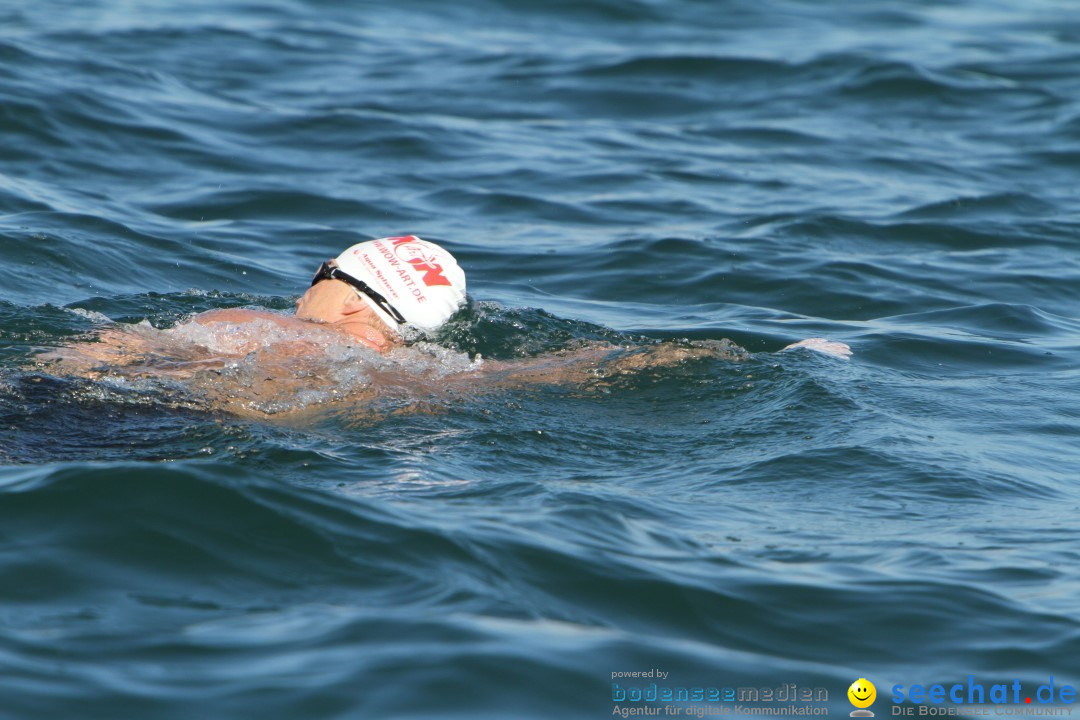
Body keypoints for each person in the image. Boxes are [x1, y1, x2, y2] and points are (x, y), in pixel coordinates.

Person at [40, 235, 850, 418]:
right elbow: (592, 365)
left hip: (90, 415)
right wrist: (782, 356)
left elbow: (94, 354)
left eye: (324, 271)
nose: (307, 282)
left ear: (355, 299)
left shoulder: (242, 322)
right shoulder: (439, 376)